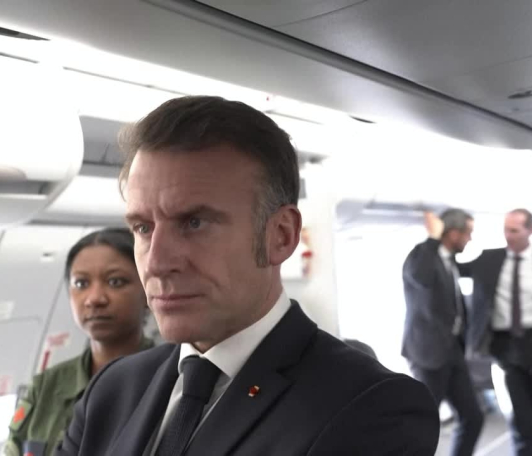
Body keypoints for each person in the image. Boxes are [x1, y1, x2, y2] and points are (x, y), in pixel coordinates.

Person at [58, 96, 439, 456]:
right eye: (143, 228)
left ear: (280, 236)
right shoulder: (113, 389)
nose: (156, 263)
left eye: (194, 223)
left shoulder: (372, 406)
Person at [3, 228, 155, 456]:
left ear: (148, 290)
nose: (95, 299)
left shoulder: (172, 380)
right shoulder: (46, 386)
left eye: (115, 282)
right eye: (81, 284)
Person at [443, 208, 532, 456]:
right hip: (505, 346)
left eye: (514, 230)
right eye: (505, 230)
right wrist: (440, 236)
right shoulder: (489, 259)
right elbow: (451, 265)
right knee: (520, 418)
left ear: (529, 231)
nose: (508, 235)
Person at [402, 208, 484, 456]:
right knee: (422, 425)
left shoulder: (450, 261)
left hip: (452, 351)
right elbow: (422, 278)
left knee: (473, 417)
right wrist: (432, 237)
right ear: (454, 233)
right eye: (468, 232)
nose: (470, 238)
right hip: (428, 354)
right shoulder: (421, 256)